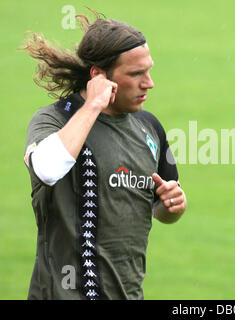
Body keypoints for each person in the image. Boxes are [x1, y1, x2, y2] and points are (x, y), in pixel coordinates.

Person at [22, 10, 187, 300]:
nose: (149, 83)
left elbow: (157, 208)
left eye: (149, 70)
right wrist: (93, 106)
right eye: (136, 74)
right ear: (99, 76)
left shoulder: (149, 128)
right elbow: (47, 170)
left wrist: (171, 207)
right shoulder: (56, 120)